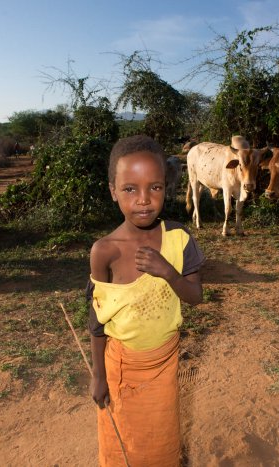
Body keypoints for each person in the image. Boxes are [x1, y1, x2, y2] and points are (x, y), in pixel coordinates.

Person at [87, 135, 205, 466]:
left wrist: (168, 272)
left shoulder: (179, 239)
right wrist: (98, 376)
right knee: (121, 444)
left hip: (164, 366)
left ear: (167, 188)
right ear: (113, 191)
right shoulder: (104, 251)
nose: (144, 200)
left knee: (161, 443)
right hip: (122, 369)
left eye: (155, 188)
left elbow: (195, 297)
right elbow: (97, 323)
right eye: (130, 189)